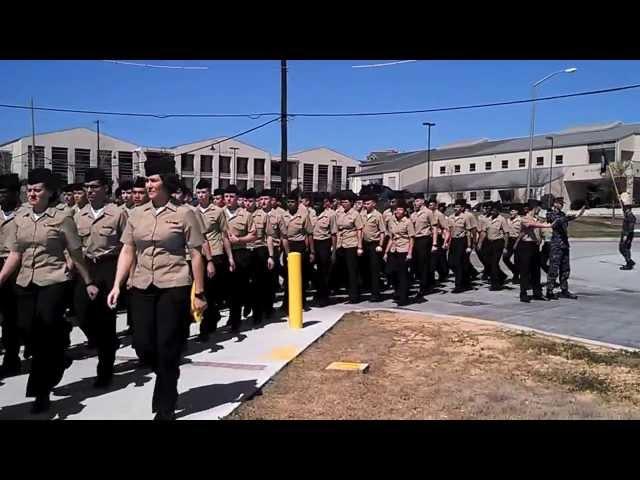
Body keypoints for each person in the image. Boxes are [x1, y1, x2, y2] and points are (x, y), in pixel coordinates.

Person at [107, 158, 207, 420]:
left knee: (167, 345)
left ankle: (166, 401)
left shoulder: (185, 213)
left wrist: (199, 292)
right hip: (141, 284)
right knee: (143, 344)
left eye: (153, 181)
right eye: (147, 180)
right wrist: (117, 284)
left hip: (173, 283)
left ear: (166, 184)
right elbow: (128, 249)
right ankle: (164, 373)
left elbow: (196, 254)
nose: (148, 185)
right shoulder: (136, 214)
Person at [0, 168, 98, 413]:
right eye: (29, 189)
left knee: (43, 336)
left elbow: (75, 252)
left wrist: (88, 281)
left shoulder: (62, 217)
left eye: (38, 190)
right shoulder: (20, 218)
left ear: (50, 192)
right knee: (26, 331)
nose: (32, 194)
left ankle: (41, 392)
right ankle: (59, 351)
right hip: (25, 281)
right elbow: (15, 253)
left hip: (53, 281)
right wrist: (0, 279)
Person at [73, 168, 128, 388]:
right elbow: (74, 245)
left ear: (105, 188)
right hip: (86, 267)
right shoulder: (79, 214)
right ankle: (104, 341)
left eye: (95, 186)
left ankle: (105, 369)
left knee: (106, 319)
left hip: (109, 265)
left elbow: (127, 245)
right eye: (87, 187)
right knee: (80, 311)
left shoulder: (117, 213)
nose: (90, 191)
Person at [194, 181, 233, 341]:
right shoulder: (192, 211)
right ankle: (211, 318)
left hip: (215, 255)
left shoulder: (218, 211)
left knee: (210, 292)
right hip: (197, 255)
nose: (201, 195)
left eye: (204, 192)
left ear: (209, 193)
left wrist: (229, 257)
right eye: (198, 192)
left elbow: (224, 236)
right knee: (200, 292)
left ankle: (206, 328)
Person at [223, 185, 254, 334]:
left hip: (240, 253)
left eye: (231, 196)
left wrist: (239, 240)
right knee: (225, 289)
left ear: (237, 198)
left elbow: (253, 235)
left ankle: (235, 321)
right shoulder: (220, 213)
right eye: (226, 196)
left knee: (236, 289)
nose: (228, 199)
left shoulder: (246, 215)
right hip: (222, 254)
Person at [0, 174, 22, 377]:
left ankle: (12, 357)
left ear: (16, 194)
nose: (1, 197)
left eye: (5, 193)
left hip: (17, 268)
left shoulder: (24, 214)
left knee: (12, 317)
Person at [545, 197, 586, 300]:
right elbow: (557, 221)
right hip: (556, 246)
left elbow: (565, 218)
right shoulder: (550, 214)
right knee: (554, 269)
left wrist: (579, 213)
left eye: (562, 204)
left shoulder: (563, 214)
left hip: (564, 245)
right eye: (559, 203)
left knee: (565, 269)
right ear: (554, 204)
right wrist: (574, 216)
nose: (561, 205)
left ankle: (564, 290)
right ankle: (549, 290)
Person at [279, 191, 314, 309]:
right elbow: (283, 236)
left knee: (302, 276)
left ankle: (302, 302)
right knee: (288, 276)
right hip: (288, 245)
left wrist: (311, 251)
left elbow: (309, 234)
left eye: (292, 202)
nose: (290, 204)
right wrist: (286, 252)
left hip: (300, 246)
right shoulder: (283, 216)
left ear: (297, 203)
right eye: (288, 202)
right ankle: (287, 303)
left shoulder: (304, 215)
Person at [247, 189, 276, 324]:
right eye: (246, 200)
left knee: (261, 283)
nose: (249, 203)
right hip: (245, 251)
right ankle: (249, 307)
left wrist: (271, 256)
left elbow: (269, 236)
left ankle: (260, 312)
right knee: (248, 284)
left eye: (252, 201)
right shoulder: (240, 215)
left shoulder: (263, 216)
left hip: (260, 250)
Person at [517, 200, 553, 303]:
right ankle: (523, 294)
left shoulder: (537, 219)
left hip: (535, 246)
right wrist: (547, 226)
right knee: (525, 271)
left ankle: (537, 293)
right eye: (538, 208)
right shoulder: (524, 218)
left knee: (536, 271)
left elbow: (541, 229)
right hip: (525, 246)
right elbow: (531, 226)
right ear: (535, 208)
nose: (540, 210)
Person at [384, 200, 415, 306]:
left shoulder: (408, 222)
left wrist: (410, 253)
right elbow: (391, 238)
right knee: (390, 272)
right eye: (397, 209)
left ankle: (403, 297)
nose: (398, 211)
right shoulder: (392, 221)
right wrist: (386, 252)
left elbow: (411, 238)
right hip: (393, 249)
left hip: (404, 249)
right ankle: (397, 291)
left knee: (402, 274)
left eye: (400, 209)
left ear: (405, 212)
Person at [335, 191, 364, 304]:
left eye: (346, 202)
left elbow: (359, 230)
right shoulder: (339, 213)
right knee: (343, 270)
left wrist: (359, 246)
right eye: (342, 202)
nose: (343, 204)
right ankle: (348, 292)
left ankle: (354, 295)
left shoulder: (355, 214)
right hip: (341, 243)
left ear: (351, 202)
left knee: (352, 270)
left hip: (352, 243)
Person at [312, 193, 338, 307]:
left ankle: (324, 296)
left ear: (324, 203)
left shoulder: (331, 215)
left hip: (325, 244)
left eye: (319, 203)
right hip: (314, 243)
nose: (316, 205)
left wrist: (333, 251)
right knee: (315, 272)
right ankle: (319, 292)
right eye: (315, 203)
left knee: (324, 271)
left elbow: (333, 234)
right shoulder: (311, 214)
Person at [410, 194, 438, 299]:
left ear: (422, 201)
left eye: (416, 201)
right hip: (415, 240)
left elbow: (434, 228)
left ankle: (424, 287)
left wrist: (434, 243)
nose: (414, 203)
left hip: (425, 239)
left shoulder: (428, 212)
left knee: (424, 264)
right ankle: (426, 282)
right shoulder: (413, 214)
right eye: (414, 201)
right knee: (415, 264)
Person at [477, 203, 510, 291]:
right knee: (488, 262)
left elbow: (506, 233)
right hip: (489, 243)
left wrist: (505, 247)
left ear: (498, 211)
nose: (492, 212)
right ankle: (502, 275)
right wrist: (480, 243)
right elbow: (483, 232)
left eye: (494, 210)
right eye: (491, 210)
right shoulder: (488, 219)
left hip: (498, 243)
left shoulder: (502, 219)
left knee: (494, 264)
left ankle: (495, 284)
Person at [360, 193, 386, 302]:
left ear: (374, 204)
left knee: (374, 269)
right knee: (366, 269)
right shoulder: (362, 214)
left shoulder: (378, 215)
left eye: (368, 203)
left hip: (374, 245)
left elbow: (382, 232)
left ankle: (376, 294)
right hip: (364, 244)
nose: (366, 205)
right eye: (364, 204)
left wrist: (380, 245)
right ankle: (368, 289)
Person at [447, 199, 474, 293]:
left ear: (462, 208)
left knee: (458, 263)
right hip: (453, 241)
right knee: (450, 262)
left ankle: (459, 285)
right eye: (455, 206)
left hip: (462, 241)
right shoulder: (450, 217)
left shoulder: (465, 217)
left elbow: (468, 231)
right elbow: (449, 231)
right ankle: (465, 280)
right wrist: (447, 242)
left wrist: (469, 246)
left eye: (458, 207)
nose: (456, 208)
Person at [431, 202, 450, 284]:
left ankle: (443, 274)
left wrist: (445, 242)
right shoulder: (428, 214)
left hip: (439, 238)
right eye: (429, 205)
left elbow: (446, 228)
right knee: (433, 259)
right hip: (430, 237)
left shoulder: (439, 215)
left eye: (432, 205)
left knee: (440, 258)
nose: (430, 206)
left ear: (436, 206)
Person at [503, 208, 521, 283]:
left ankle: (516, 277)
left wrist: (517, 242)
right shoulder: (508, 220)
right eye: (510, 211)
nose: (511, 212)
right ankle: (515, 271)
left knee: (517, 260)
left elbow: (521, 232)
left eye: (513, 210)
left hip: (517, 240)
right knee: (505, 258)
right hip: (509, 240)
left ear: (517, 211)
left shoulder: (520, 220)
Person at [619, 193, 636, 270]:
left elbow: (631, 228)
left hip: (628, 234)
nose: (623, 208)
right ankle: (630, 261)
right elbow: (622, 206)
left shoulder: (630, 216)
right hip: (625, 233)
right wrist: (621, 199)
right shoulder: (626, 214)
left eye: (625, 207)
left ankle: (629, 264)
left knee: (625, 248)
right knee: (622, 248)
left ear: (628, 208)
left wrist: (626, 236)